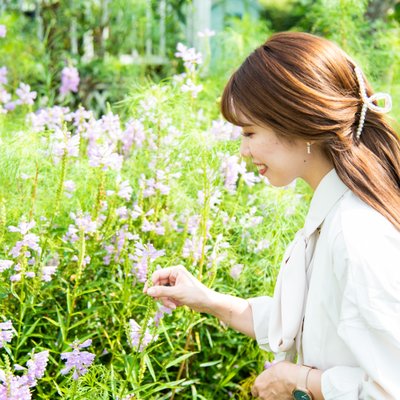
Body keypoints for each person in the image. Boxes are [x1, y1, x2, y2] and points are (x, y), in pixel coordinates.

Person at [144, 32, 400, 399]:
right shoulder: (334, 216)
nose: (244, 152)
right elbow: (298, 322)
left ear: (297, 121)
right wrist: (205, 298)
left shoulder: (356, 232)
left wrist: (298, 382)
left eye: (249, 132)